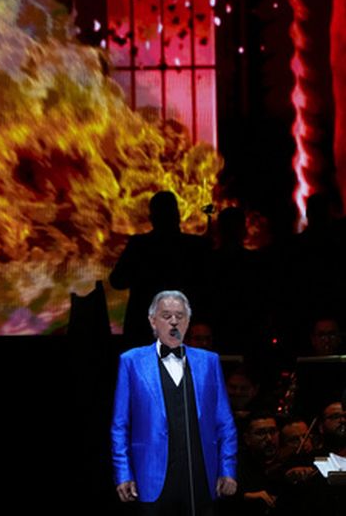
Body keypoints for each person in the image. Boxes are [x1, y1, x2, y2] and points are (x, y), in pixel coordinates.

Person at [112, 290, 238, 516]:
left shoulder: (209, 362)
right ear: (153, 321)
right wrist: (123, 473)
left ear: (188, 322)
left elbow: (225, 423)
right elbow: (120, 425)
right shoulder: (131, 361)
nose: (173, 322)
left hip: (200, 475)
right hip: (151, 476)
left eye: (180, 316)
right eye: (166, 315)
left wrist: (227, 469)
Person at [110, 192, 211, 347]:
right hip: (184, 330)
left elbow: (117, 280)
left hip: (145, 330)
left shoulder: (139, 246)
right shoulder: (197, 247)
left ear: (152, 218)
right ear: (177, 215)